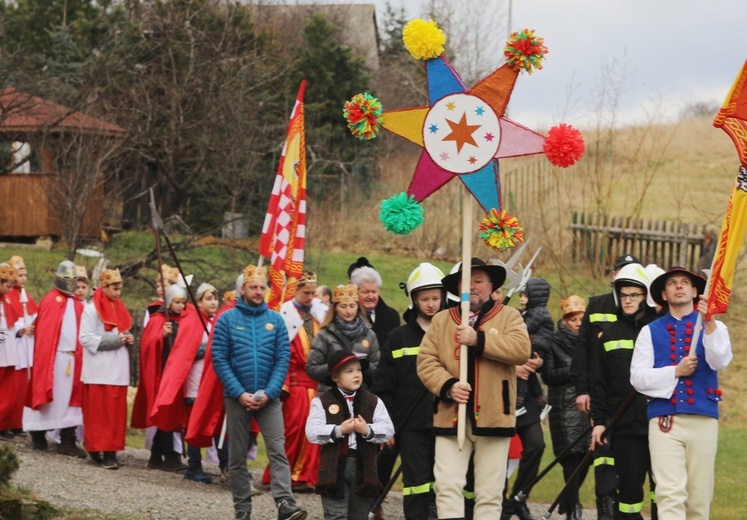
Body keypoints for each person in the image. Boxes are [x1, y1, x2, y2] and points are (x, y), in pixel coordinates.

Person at [417, 257, 531, 519]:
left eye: (478, 281)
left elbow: (521, 350)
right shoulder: (443, 320)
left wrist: (479, 339)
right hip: (450, 415)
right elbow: (426, 362)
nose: (472, 287)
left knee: (490, 493)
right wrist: (447, 386)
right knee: (446, 486)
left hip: (494, 416)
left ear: (491, 286)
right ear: (457, 288)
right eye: (465, 282)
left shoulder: (509, 316)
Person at [631, 267, 732, 520]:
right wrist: (675, 371)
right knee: (669, 493)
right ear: (663, 295)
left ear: (695, 290)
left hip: (703, 417)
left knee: (699, 497)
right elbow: (638, 378)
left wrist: (709, 325)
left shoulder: (715, 327)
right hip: (666, 419)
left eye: (685, 282)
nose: (679, 286)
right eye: (672, 283)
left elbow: (721, 361)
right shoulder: (649, 331)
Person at [211, 264, 307, 520]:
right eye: (253, 287)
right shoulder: (226, 320)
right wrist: (239, 392)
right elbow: (219, 359)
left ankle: (285, 503)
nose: (258, 291)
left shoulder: (275, 320)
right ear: (242, 289)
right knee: (237, 457)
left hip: (269, 399)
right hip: (236, 398)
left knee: (278, 450)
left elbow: (282, 359)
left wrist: (270, 391)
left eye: (262, 287)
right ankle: (242, 510)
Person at [372, 262, 445, 520]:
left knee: (444, 480)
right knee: (416, 480)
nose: (431, 304)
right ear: (413, 299)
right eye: (425, 298)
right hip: (411, 424)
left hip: (446, 421)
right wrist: (385, 425)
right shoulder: (398, 337)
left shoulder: (452, 334)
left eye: (436, 298)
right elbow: (383, 386)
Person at [571, 253, 640, 519]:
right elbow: (583, 351)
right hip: (600, 394)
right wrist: (582, 389)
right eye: (620, 272)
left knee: (629, 457)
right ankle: (605, 506)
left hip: (630, 395)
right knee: (603, 452)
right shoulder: (597, 305)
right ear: (613, 276)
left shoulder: (642, 311)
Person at [590, 264, 658, 520]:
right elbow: (599, 384)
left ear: (645, 297)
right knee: (629, 492)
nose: (627, 300)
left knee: (662, 489)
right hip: (625, 425)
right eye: (624, 295)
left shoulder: (659, 330)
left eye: (634, 295)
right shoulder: (607, 334)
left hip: (659, 422)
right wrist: (598, 423)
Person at [306, 350, 394, 520]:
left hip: (364, 467)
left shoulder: (373, 401)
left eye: (359, 370)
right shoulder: (322, 401)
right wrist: (339, 430)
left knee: (359, 515)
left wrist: (366, 430)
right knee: (336, 515)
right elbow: (312, 432)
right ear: (335, 377)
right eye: (349, 371)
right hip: (334, 467)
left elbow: (388, 429)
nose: (356, 375)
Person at [262, 271, 327, 491]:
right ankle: (280, 477)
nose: (310, 297)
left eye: (312, 293)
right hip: (297, 385)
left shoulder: (319, 314)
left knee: (315, 432)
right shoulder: (286, 315)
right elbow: (283, 354)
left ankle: (306, 477)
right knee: (293, 430)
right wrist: (285, 386)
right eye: (305, 293)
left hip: (317, 384)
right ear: (297, 291)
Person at [151, 282, 219, 483]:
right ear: (198, 302)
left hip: (209, 380)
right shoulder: (192, 321)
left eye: (215, 298)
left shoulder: (214, 322)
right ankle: (194, 465)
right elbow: (186, 351)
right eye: (208, 298)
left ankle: (223, 465)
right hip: (194, 381)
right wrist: (208, 351)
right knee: (193, 423)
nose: (213, 302)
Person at [24, 261, 86, 457]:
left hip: (72, 358)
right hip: (54, 358)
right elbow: (45, 335)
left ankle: (67, 440)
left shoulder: (78, 304)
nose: (71, 283)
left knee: (70, 400)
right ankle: (38, 431)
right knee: (50, 396)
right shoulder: (51, 300)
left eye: (73, 280)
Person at [502, 278, 550, 520]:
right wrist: (514, 365)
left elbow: (545, 352)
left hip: (527, 395)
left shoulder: (535, 317)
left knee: (536, 446)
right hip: (502, 391)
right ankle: (500, 502)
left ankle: (518, 499)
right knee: (498, 451)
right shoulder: (507, 315)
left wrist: (539, 361)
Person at [78, 268, 133, 469]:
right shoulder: (91, 310)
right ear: (105, 286)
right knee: (99, 413)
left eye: (120, 289)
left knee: (115, 415)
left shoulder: (120, 308)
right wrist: (116, 340)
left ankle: (111, 452)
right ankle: (95, 447)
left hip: (118, 368)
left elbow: (122, 330)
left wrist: (127, 338)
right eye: (115, 288)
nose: (118, 293)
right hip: (99, 369)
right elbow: (84, 338)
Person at [132, 284, 189, 472]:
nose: (180, 306)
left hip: (177, 373)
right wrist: (161, 335)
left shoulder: (183, 319)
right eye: (177, 302)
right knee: (165, 412)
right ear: (169, 302)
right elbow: (148, 344)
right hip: (163, 372)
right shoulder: (158, 319)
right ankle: (169, 454)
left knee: (172, 414)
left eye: (183, 302)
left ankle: (157, 455)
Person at [542, 295, 589, 520]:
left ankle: (568, 497)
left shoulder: (593, 340)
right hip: (564, 404)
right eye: (573, 319)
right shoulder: (554, 341)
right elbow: (548, 374)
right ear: (564, 321)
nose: (578, 323)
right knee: (571, 455)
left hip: (589, 404)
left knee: (588, 455)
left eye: (581, 318)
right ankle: (574, 507)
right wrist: (575, 371)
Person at [306, 283, 380, 393]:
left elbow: (378, 372)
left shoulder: (369, 335)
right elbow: (312, 370)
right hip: (330, 395)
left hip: (362, 396)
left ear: (358, 307)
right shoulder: (324, 335)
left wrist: (363, 365)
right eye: (343, 306)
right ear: (335, 308)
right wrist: (337, 365)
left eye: (352, 306)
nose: (348, 311)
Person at [4, 256, 36, 438]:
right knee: (11, 387)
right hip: (13, 344)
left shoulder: (25, 296)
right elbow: (8, 322)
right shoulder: (8, 295)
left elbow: (32, 314)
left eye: (25, 275)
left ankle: (18, 422)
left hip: (25, 345)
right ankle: (7, 422)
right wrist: (20, 329)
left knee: (22, 386)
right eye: (20, 275)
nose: (23, 279)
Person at [0, 262, 20, 439]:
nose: (10, 290)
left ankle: (2, 422)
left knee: (9, 390)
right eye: (8, 286)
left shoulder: (6, 300)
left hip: (7, 350)